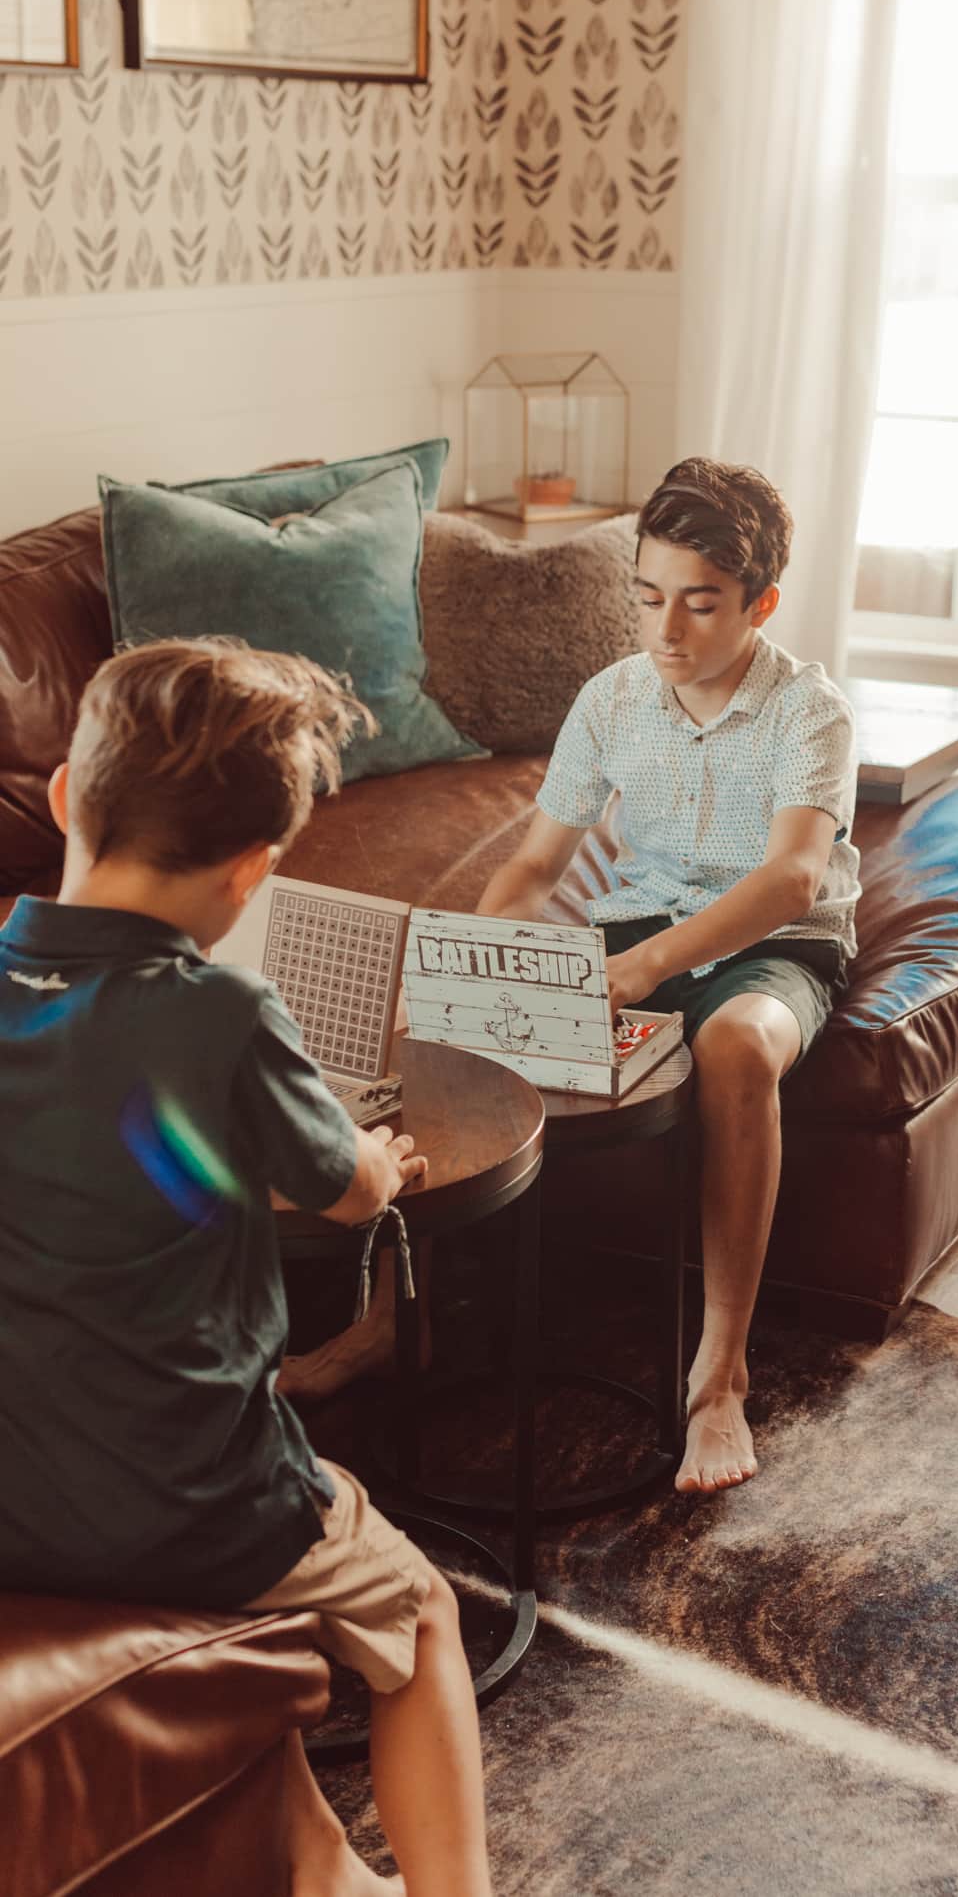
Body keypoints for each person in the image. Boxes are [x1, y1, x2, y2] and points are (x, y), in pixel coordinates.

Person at [0, 640, 493, 1897]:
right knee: (423, 1615)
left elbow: (107, 1141)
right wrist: (378, 1157)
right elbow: (343, 1187)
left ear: (65, 796)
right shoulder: (219, 1014)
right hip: (192, 1505)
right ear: (253, 872)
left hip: (15, 1501)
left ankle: (330, 1876)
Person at [478, 457, 860, 1495]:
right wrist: (472, 969)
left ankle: (719, 1372)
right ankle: (446, 1315)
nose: (666, 632)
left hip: (776, 943)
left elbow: (790, 878)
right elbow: (533, 867)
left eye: (699, 604)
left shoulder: (808, 711)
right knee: (474, 1015)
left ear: (759, 603)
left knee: (733, 1040)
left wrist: (645, 967)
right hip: (638, 923)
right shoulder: (610, 699)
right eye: (647, 598)